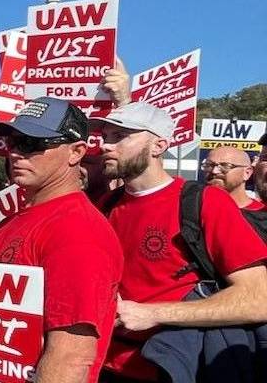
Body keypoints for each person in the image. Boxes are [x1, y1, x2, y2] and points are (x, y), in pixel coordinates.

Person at [92, 102, 267, 381]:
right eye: (105, 137)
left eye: (119, 137)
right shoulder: (106, 205)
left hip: (169, 368)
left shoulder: (205, 201)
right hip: (101, 364)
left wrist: (154, 313)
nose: (105, 146)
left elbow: (259, 299)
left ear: (158, 146)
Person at [0, 97, 123, 382]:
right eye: (14, 142)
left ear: (76, 152)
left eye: (33, 143)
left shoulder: (77, 231)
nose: (17, 153)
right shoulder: (15, 219)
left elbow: (70, 358)